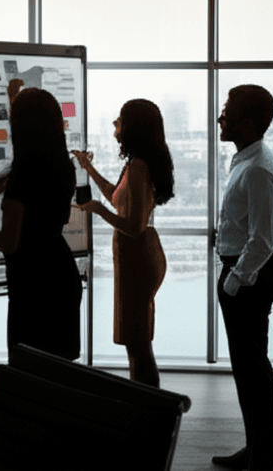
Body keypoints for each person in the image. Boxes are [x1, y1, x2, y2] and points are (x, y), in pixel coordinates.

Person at [0, 87, 82, 360]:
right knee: (58, 368)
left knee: (29, 369)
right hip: (60, 269)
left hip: (33, 282)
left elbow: (9, 243)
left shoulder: (22, 177)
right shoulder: (63, 165)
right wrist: (14, 100)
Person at [71, 99, 174, 387]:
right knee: (137, 342)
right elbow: (114, 195)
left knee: (138, 345)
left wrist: (98, 210)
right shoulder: (137, 164)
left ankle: (148, 412)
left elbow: (133, 226)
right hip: (137, 255)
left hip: (136, 257)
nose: (115, 126)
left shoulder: (139, 167)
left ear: (133, 127)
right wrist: (88, 168)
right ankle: (145, 408)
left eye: (120, 121)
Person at [212, 85, 273, 471]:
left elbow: (262, 240)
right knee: (246, 370)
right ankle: (255, 447)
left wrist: (233, 280)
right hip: (241, 274)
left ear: (250, 121)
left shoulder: (259, 169)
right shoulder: (246, 161)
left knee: (254, 372)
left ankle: (263, 455)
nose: (221, 117)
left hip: (248, 278)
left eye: (228, 111)